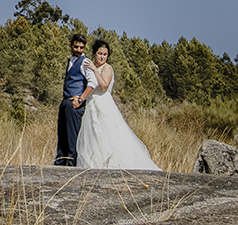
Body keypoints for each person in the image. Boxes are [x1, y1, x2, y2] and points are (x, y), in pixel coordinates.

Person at [76, 39, 161, 170]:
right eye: (100, 54)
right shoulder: (91, 67)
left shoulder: (106, 68)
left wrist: (94, 70)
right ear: (94, 53)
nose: (102, 57)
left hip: (103, 105)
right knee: (93, 136)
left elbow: (103, 86)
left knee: (107, 134)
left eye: (105, 54)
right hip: (91, 104)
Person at [54, 33, 96, 166]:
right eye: (76, 47)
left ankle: (72, 167)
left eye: (81, 48)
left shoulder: (85, 62)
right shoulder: (70, 60)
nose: (78, 50)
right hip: (65, 101)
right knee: (62, 136)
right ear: (71, 46)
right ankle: (59, 164)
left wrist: (81, 99)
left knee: (73, 138)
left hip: (75, 104)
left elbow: (93, 83)